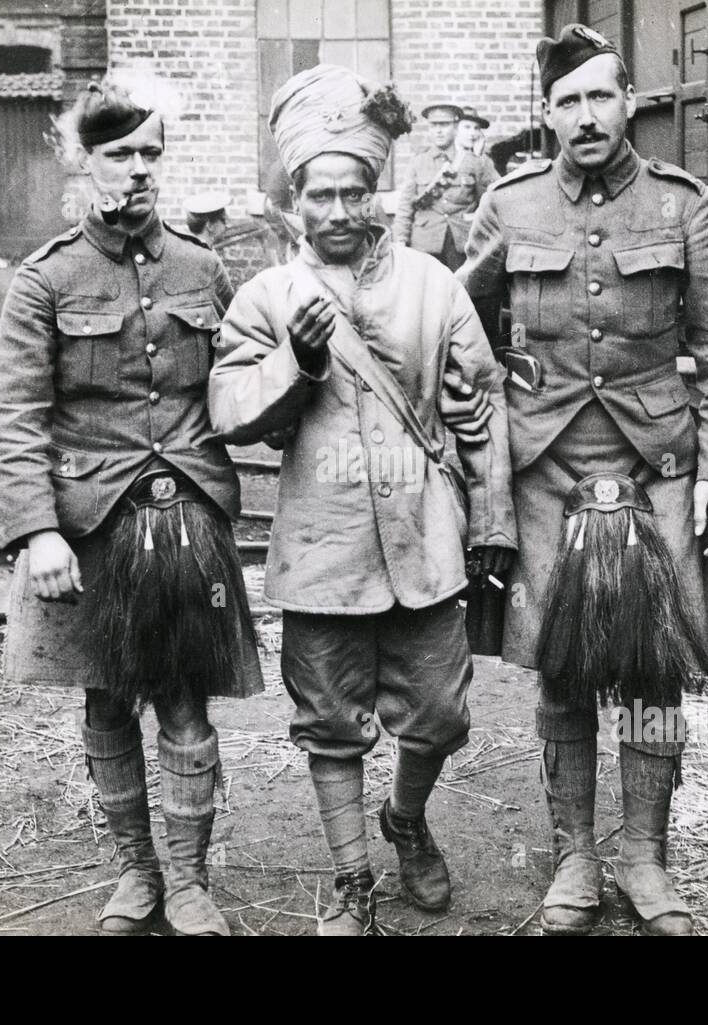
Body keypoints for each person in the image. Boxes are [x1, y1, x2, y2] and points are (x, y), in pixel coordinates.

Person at [458, 25, 708, 936]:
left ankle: (646, 859)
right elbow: (458, 339)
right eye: (566, 102)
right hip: (545, 471)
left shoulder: (682, 206)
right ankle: (575, 857)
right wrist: (481, 463)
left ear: (628, 100)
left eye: (599, 97)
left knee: (654, 673)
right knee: (560, 671)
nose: (584, 118)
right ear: (544, 114)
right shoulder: (508, 208)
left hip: (656, 466)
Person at [208, 64, 518, 936]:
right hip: (323, 552)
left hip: (426, 544)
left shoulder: (432, 284)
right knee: (330, 724)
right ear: (293, 201)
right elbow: (228, 412)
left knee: (441, 714)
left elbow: (479, 404)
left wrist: (490, 523)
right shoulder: (269, 296)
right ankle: (352, 881)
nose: (339, 212)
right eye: (320, 196)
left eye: (354, 193)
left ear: (377, 193)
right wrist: (294, 364)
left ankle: (407, 820)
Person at [0, 76, 263, 937]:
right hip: (90, 524)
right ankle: (135, 873)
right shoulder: (47, 280)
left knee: (184, 700)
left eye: (151, 153)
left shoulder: (203, 266)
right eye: (119, 155)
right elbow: (17, 414)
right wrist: (36, 530)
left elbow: (246, 381)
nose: (138, 171)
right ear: (83, 162)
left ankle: (187, 882)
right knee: (107, 700)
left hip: (186, 518)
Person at [392, 101, 500, 270]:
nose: (439, 130)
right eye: (434, 125)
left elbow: (490, 202)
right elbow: (405, 207)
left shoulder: (474, 162)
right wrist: (400, 240)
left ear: (455, 128)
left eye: (445, 125)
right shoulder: (418, 162)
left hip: (462, 244)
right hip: (425, 243)